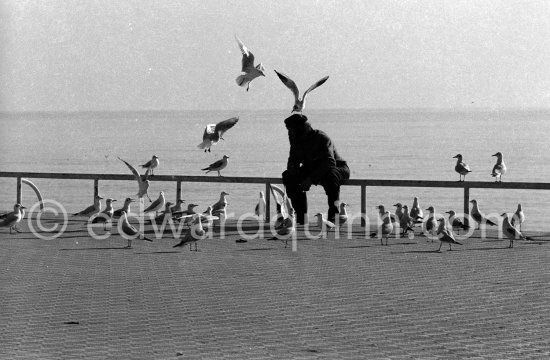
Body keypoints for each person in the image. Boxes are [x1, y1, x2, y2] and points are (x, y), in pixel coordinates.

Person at [282, 113, 350, 225]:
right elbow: (293, 161)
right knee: (288, 176)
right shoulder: (296, 142)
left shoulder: (321, 138)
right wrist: (293, 169)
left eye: (292, 130)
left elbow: (329, 162)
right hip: (312, 169)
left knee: (330, 176)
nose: (290, 133)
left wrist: (310, 180)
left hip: (337, 168)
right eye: (289, 131)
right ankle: (300, 217)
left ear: (301, 129)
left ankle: (333, 216)